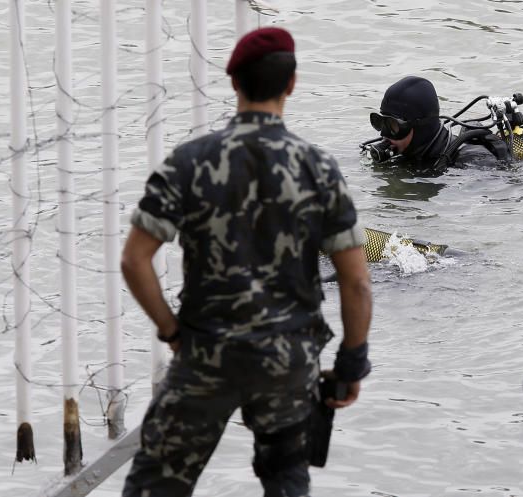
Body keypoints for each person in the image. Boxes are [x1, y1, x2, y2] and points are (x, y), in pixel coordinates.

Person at [119, 27, 373, 497]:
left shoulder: (189, 162)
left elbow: (135, 260)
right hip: (289, 362)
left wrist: (172, 331)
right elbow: (355, 282)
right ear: (291, 84)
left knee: (155, 484)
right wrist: (352, 364)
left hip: (205, 357)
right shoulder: (319, 168)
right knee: (285, 480)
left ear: (234, 83)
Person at [365, 76, 517, 176]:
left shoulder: (471, 162)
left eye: (393, 125)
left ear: (420, 128)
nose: (383, 135)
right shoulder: (407, 152)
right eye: (380, 122)